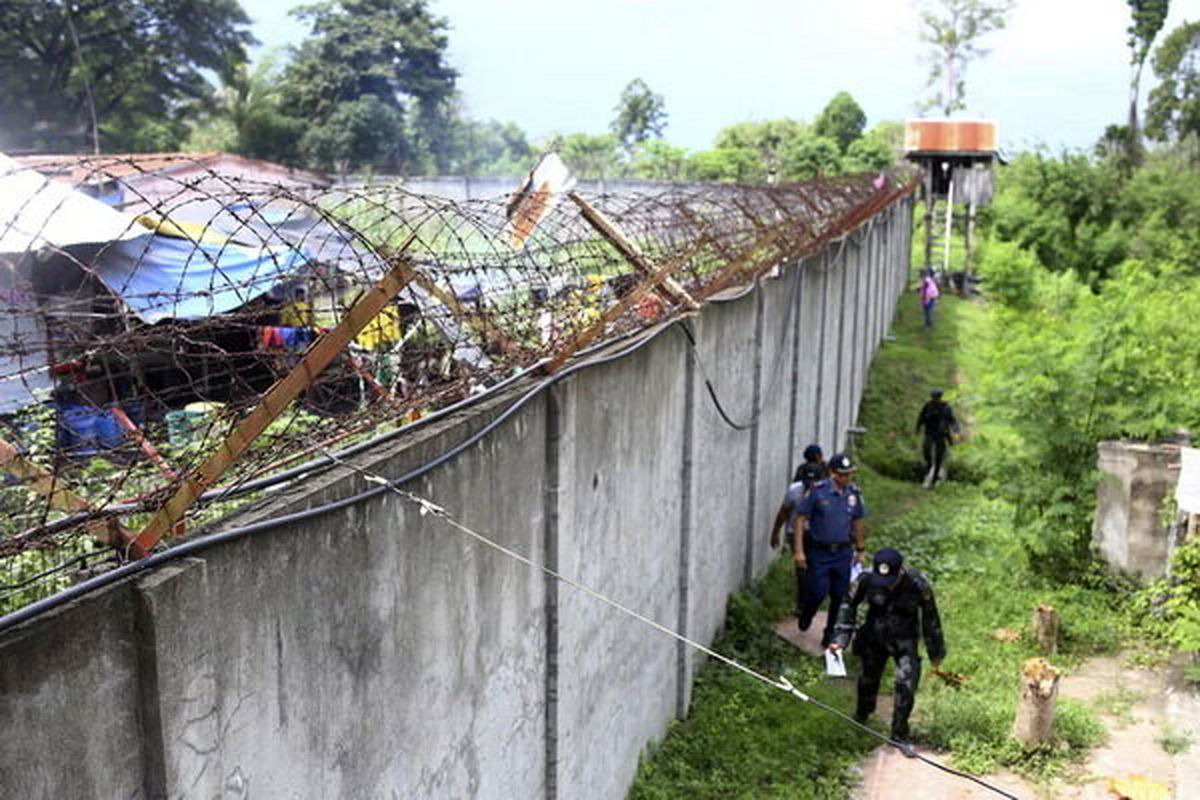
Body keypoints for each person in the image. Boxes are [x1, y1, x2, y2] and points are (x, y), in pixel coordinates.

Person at [830, 547, 945, 744]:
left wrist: (936, 652)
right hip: (874, 637)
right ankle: (862, 717)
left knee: (906, 684)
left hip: (905, 639)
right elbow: (848, 605)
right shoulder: (865, 580)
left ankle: (899, 732)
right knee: (867, 681)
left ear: (900, 571)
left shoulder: (918, 584)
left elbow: (930, 618)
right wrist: (840, 639)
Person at [774, 452, 867, 648]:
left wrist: (860, 550)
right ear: (832, 473)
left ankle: (830, 633)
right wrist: (799, 551)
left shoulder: (853, 495)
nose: (845, 478)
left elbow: (858, 521)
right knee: (817, 591)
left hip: (843, 551)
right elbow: (800, 519)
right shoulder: (818, 492)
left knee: (839, 594)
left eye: (848, 474)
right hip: (820, 551)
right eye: (841, 474)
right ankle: (807, 613)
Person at [915, 389, 959, 488]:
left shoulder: (946, 407)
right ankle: (929, 466)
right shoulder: (928, 406)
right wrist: (918, 428)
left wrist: (956, 429)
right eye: (934, 398)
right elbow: (921, 417)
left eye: (937, 398)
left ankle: (934, 478)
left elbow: (952, 419)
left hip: (941, 434)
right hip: (930, 432)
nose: (935, 400)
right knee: (926, 451)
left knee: (939, 456)